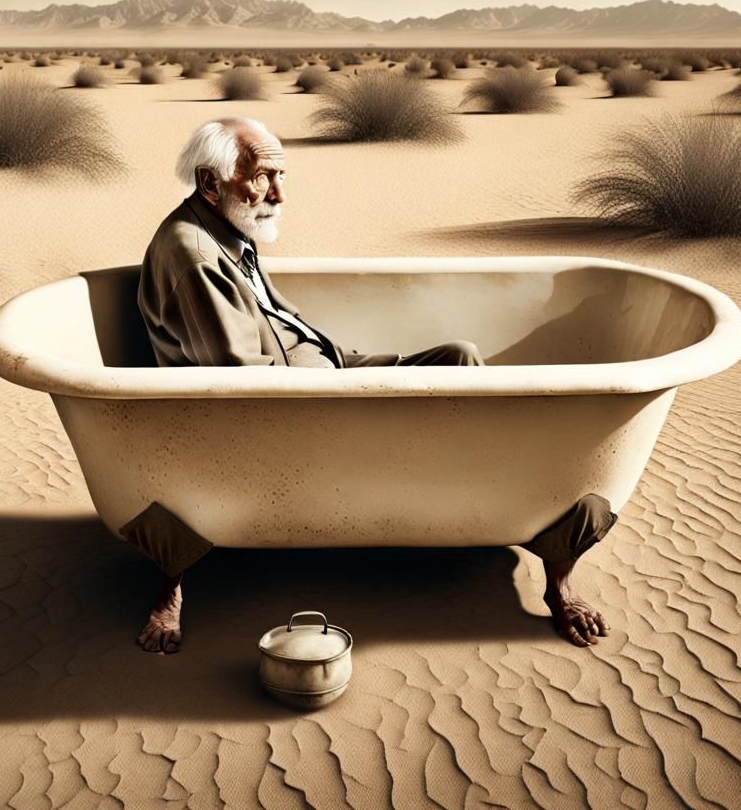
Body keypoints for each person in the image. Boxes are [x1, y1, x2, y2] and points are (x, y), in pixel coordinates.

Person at [133, 116, 614, 654]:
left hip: (325, 378)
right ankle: (524, 506)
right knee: (483, 406)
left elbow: (280, 332)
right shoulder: (194, 255)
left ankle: (492, 492)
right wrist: (350, 391)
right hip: (300, 417)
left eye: (281, 176)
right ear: (211, 184)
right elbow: (246, 389)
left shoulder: (225, 232)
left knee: (460, 357)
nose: (280, 193)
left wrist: (349, 364)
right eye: (265, 176)